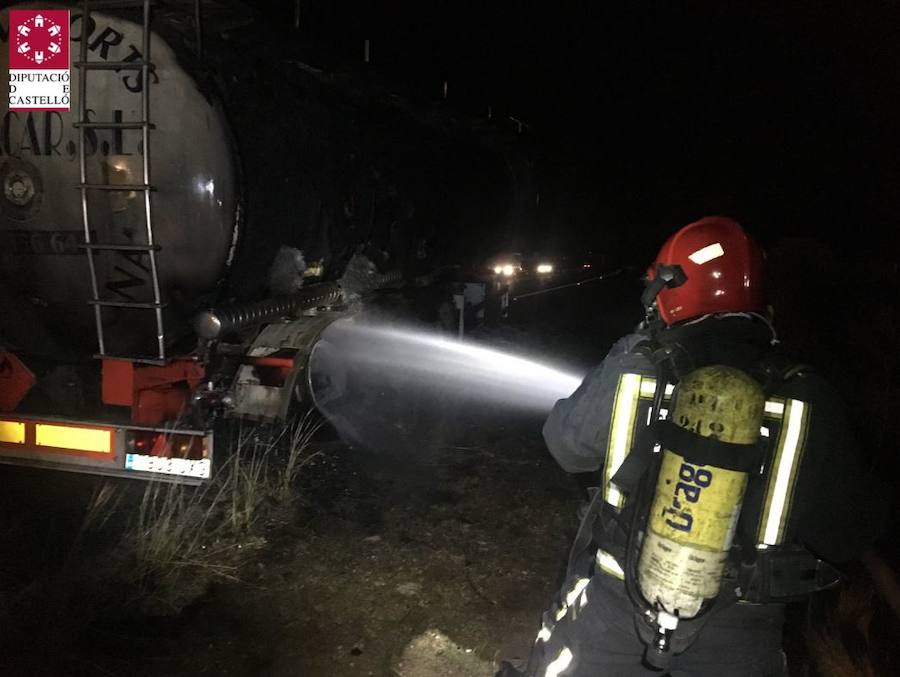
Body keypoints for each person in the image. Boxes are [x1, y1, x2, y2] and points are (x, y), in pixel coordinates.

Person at [500, 216, 885, 676]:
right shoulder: (807, 393)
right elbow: (843, 535)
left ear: (667, 290)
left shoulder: (639, 363)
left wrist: (634, 343)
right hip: (744, 633)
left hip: (615, 614)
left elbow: (564, 444)